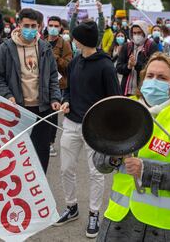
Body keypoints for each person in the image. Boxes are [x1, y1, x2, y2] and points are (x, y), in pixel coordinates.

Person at [95, 53, 170, 242]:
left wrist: (146, 170)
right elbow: (99, 162)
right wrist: (114, 157)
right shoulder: (125, 108)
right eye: (150, 76)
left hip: (168, 229)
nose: (154, 81)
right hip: (120, 222)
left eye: (162, 78)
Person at [54, 20, 121, 239]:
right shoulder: (74, 62)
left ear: (81, 41)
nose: (71, 41)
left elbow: (114, 100)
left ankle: (94, 213)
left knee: (96, 173)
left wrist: (107, 126)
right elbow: (68, 89)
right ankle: (71, 207)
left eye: (74, 38)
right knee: (66, 168)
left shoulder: (105, 66)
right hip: (71, 124)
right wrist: (66, 101)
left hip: (95, 128)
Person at [0, 8, 61, 173]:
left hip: (43, 109)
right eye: (26, 25)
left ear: (39, 26)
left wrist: (55, 99)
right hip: (18, 110)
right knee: (17, 155)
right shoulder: (6, 48)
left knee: (41, 153)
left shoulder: (45, 47)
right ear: (19, 25)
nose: (30, 29)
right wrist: (7, 95)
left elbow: (53, 76)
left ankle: (39, 189)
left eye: (34, 26)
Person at [45, 15, 72, 157]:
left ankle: (50, 143)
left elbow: (69, 66)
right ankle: (41, 140)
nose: (53, 28)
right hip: (43, 83)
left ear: (60, 28)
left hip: (58, 84)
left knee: (52, 113)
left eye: (56, 26)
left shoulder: (64, 44)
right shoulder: (42, 41)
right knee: (43, 112)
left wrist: (55, 58)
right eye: (51, 25)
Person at [116, 20, 158, 96]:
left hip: (142, 91)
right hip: (126, 91)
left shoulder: (151, 46)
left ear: (145, 32)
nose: (136, 35)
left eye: (139, 33)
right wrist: (128, 66)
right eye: (134, 33)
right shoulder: (127, 46)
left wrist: (136, 64)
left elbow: (153, 70)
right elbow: (119, 68)